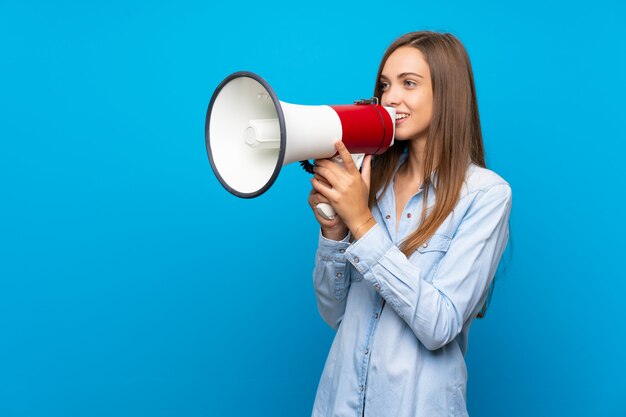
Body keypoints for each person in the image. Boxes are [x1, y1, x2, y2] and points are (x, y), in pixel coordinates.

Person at [307, 31, 512, 417]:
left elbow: (439, 324)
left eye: (409, 84)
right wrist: (334, 233)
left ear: (448, 94)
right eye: (385, 85)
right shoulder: (371, 182)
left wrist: (361, 223)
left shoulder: (486, 195)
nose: (390, 98)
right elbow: (336, 314)